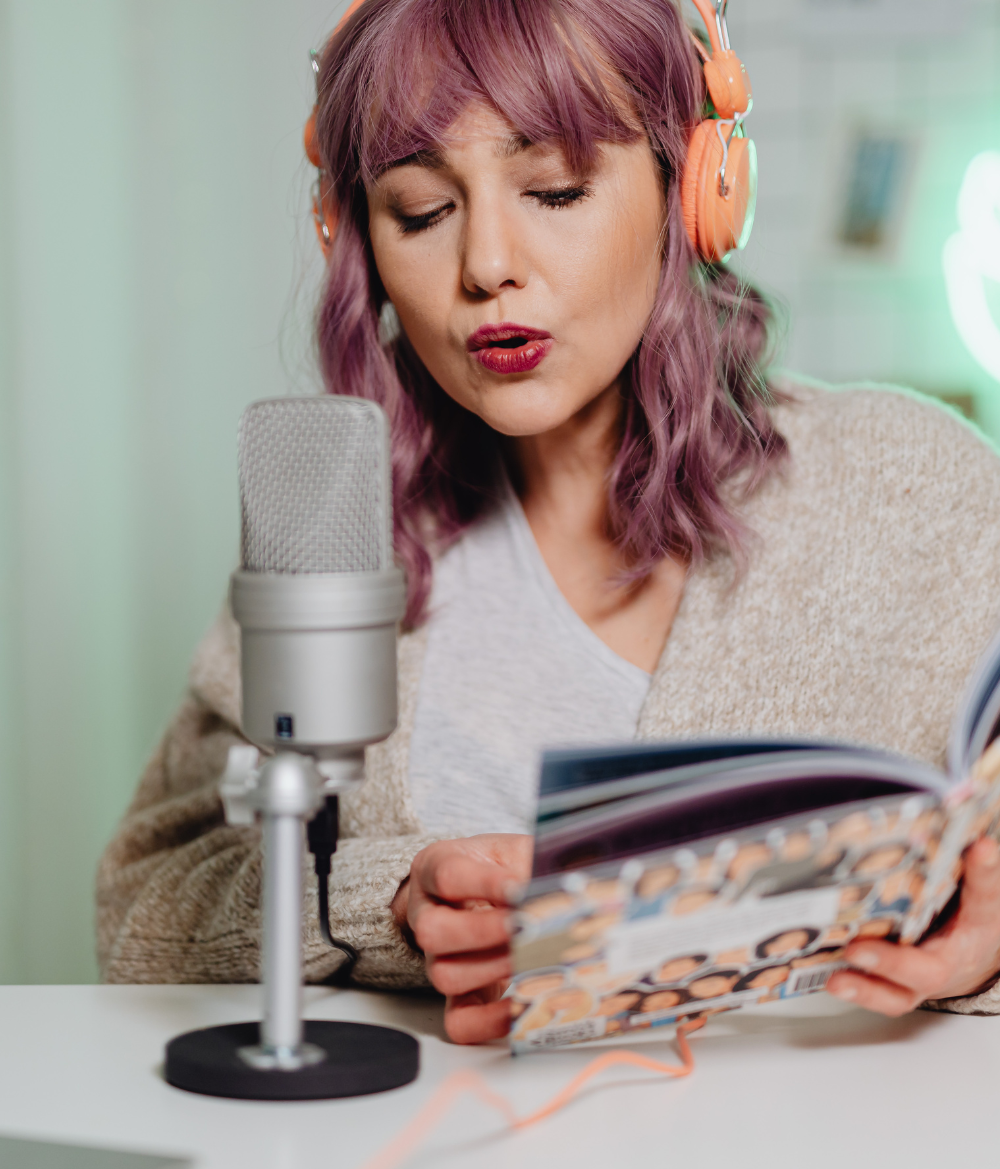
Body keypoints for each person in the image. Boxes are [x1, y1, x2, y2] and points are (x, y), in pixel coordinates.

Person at [96, 0, 1000, 1042]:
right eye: (423, 211)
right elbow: (140, 909)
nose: (486, 265)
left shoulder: (920, 492)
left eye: (555, 189)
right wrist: (388, 904)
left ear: (692, 191)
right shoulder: (339, 527)